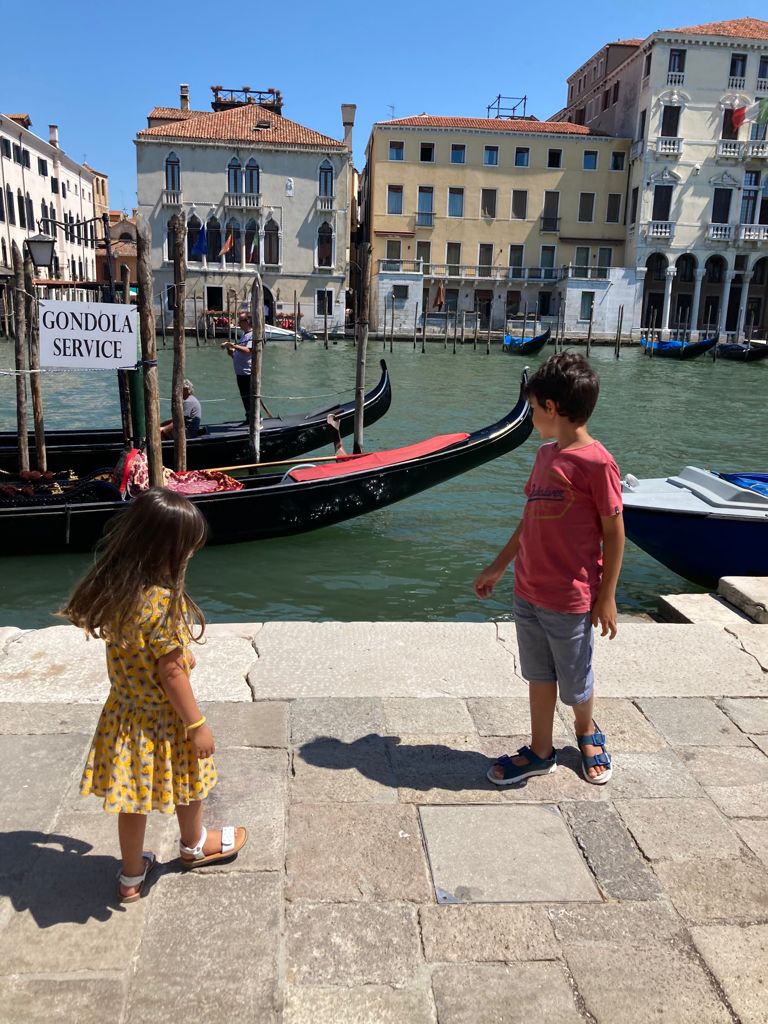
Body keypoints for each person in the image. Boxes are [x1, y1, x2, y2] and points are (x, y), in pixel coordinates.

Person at [60, 488, 247, 902]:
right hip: (165, 720)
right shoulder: (163, 603)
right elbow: (171, 672)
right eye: (188, 549)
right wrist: (196, 724)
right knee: (191, 782)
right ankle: (194, 844)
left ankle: (130, 877)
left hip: (125, 715)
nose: (191, 556)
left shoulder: (117, 590)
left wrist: (176, 656)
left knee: (132, 800)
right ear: (169, 550)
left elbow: (146, 652)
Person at [474, 352, 624, 787]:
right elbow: (530, 519)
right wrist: (499, 567)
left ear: (553, 409)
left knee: (575, 678)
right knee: (538, 675)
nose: (533, 417)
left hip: (570, 597)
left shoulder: (597, 463)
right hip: (528, 592)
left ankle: (585, 730)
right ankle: (541, 749)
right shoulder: (544, 455)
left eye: (534, 409)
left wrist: (607, 595)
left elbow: (615, 533)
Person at [223, 313, 255, 415]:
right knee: (244, 398)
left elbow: (248, 350)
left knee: (249, 398)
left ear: (247, 321)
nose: (238, 323)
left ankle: (256, 418)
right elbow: (237, 355)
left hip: (247, 373)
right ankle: (248, 417)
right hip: (240, 372)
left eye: (240, 321)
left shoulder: (252, 335)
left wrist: (233, 345)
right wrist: (230, 350)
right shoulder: (244, 335)